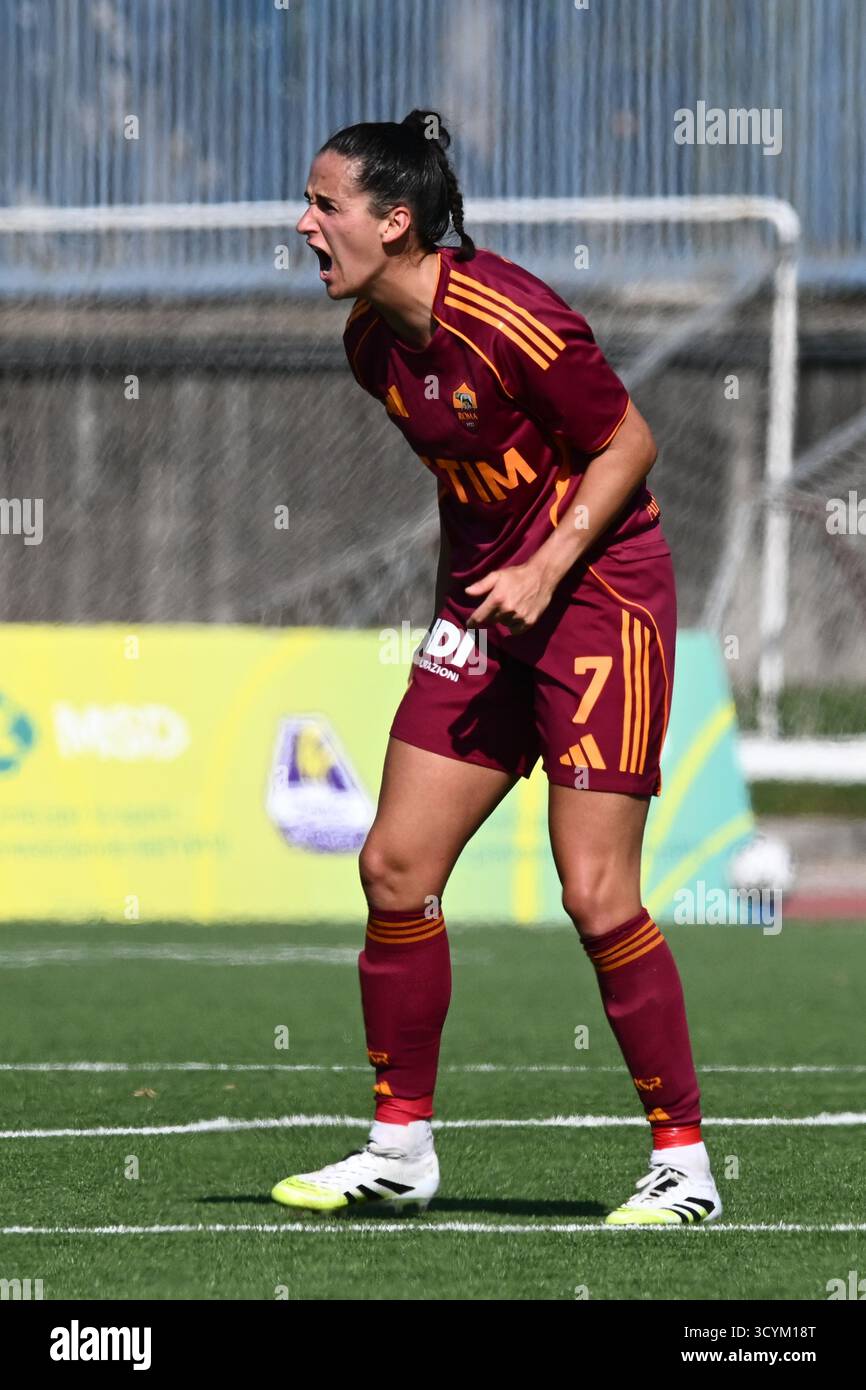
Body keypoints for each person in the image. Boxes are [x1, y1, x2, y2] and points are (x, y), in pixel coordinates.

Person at [271, 109, 722, 1226]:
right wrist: (464, 614)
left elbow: (627, 444)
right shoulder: (371, 346)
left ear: (397, 219)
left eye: (325, 205)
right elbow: (471, 491)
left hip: (599, 597)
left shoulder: (510, 314)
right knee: (393, 867)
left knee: (593, 889)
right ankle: (398, 1148)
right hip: (483, 611)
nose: (303, 223)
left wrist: (546, 568)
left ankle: (684, 1168)